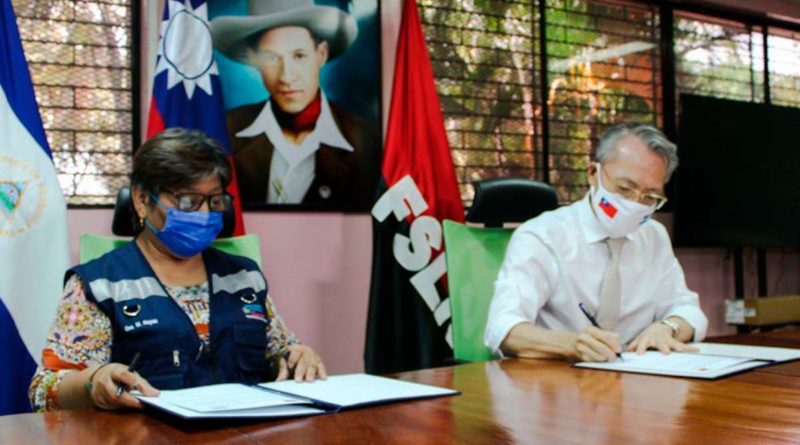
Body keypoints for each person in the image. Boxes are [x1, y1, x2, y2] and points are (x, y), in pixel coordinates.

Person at [29, 128, 326, 412]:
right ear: (142, 200)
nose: (205, 214)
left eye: (214, 201)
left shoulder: (243, 277)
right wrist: (94, 383)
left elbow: (281, 350)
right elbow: (45, 390)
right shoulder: (100, 285)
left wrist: (298, 355)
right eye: (188, 201)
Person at [484, 123, 708, 362]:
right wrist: (571, 344)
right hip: (557, 383)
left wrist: (668, 327)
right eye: (624, 188)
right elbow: (502, 328)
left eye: (650, 196)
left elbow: (689, 310)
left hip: (637, 379)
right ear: (593, 173)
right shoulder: (542, 236)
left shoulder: (654, 236)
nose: (635, 203)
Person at [209, 0, 379, 206]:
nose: (287, 77)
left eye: (299, 56)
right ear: (254, 59)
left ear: (321, 54)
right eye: (271, 57)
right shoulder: (223, 131)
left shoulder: (367, 141)